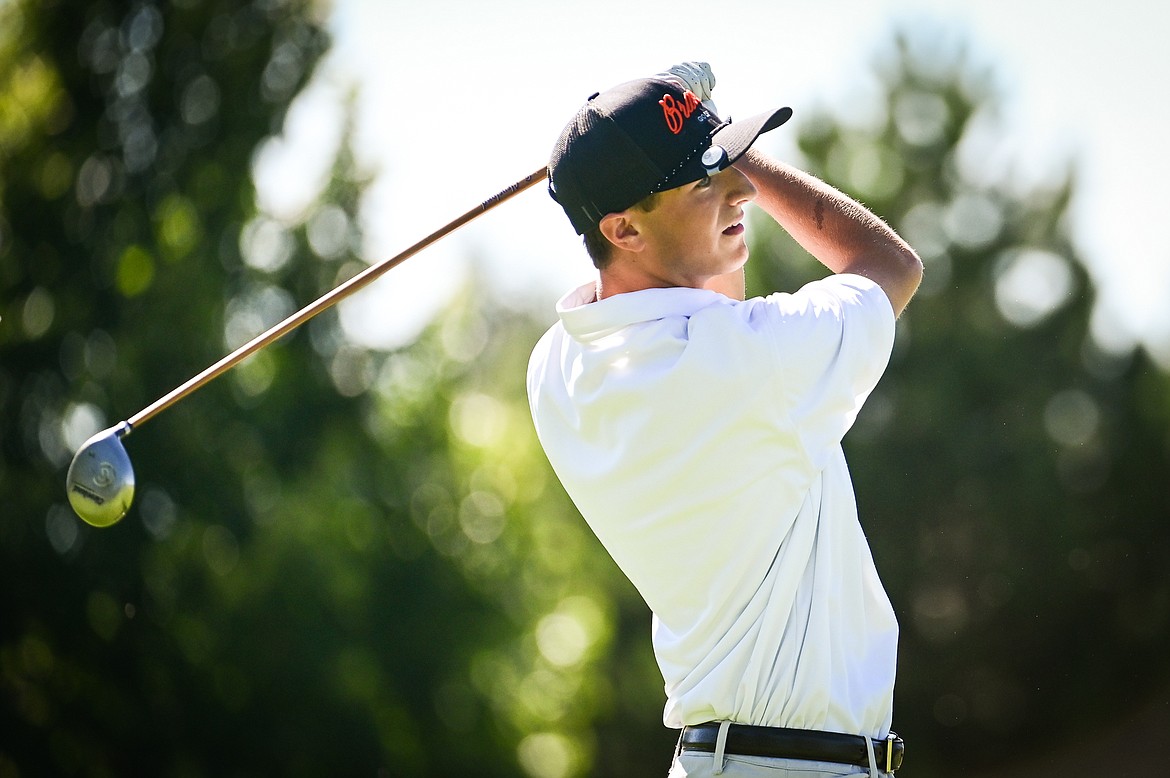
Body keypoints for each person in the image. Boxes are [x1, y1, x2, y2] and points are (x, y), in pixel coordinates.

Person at [526, 62, 923, 778]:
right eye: (709, 177)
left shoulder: (556, 370)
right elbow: (889, 265)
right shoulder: (747, 365)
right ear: (622, 227)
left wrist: (622, 160)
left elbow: (683, 303)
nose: (743, 187)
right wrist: (723, 137)